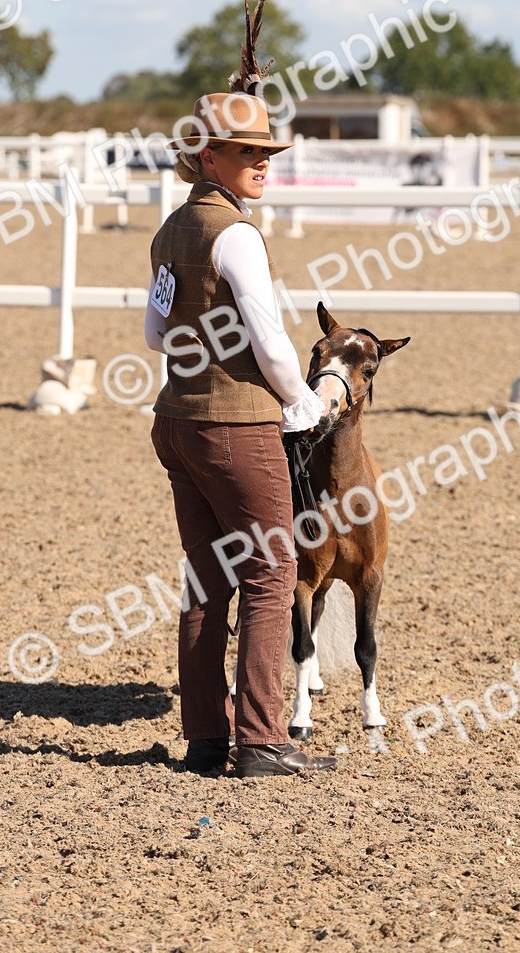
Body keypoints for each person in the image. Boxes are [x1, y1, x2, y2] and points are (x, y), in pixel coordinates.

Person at [145, 85, 338, 779]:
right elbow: (272, 342)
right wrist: (300, 400)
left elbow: (154, 332)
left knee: (206, 578)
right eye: (248, 152)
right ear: (210, 157)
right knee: (270, 571)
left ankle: (204, 740)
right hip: (236, 426)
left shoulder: (171, 229)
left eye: (266, 152)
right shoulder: (239, 235)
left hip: (176, 422)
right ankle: (260, 739)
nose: (263, 163)